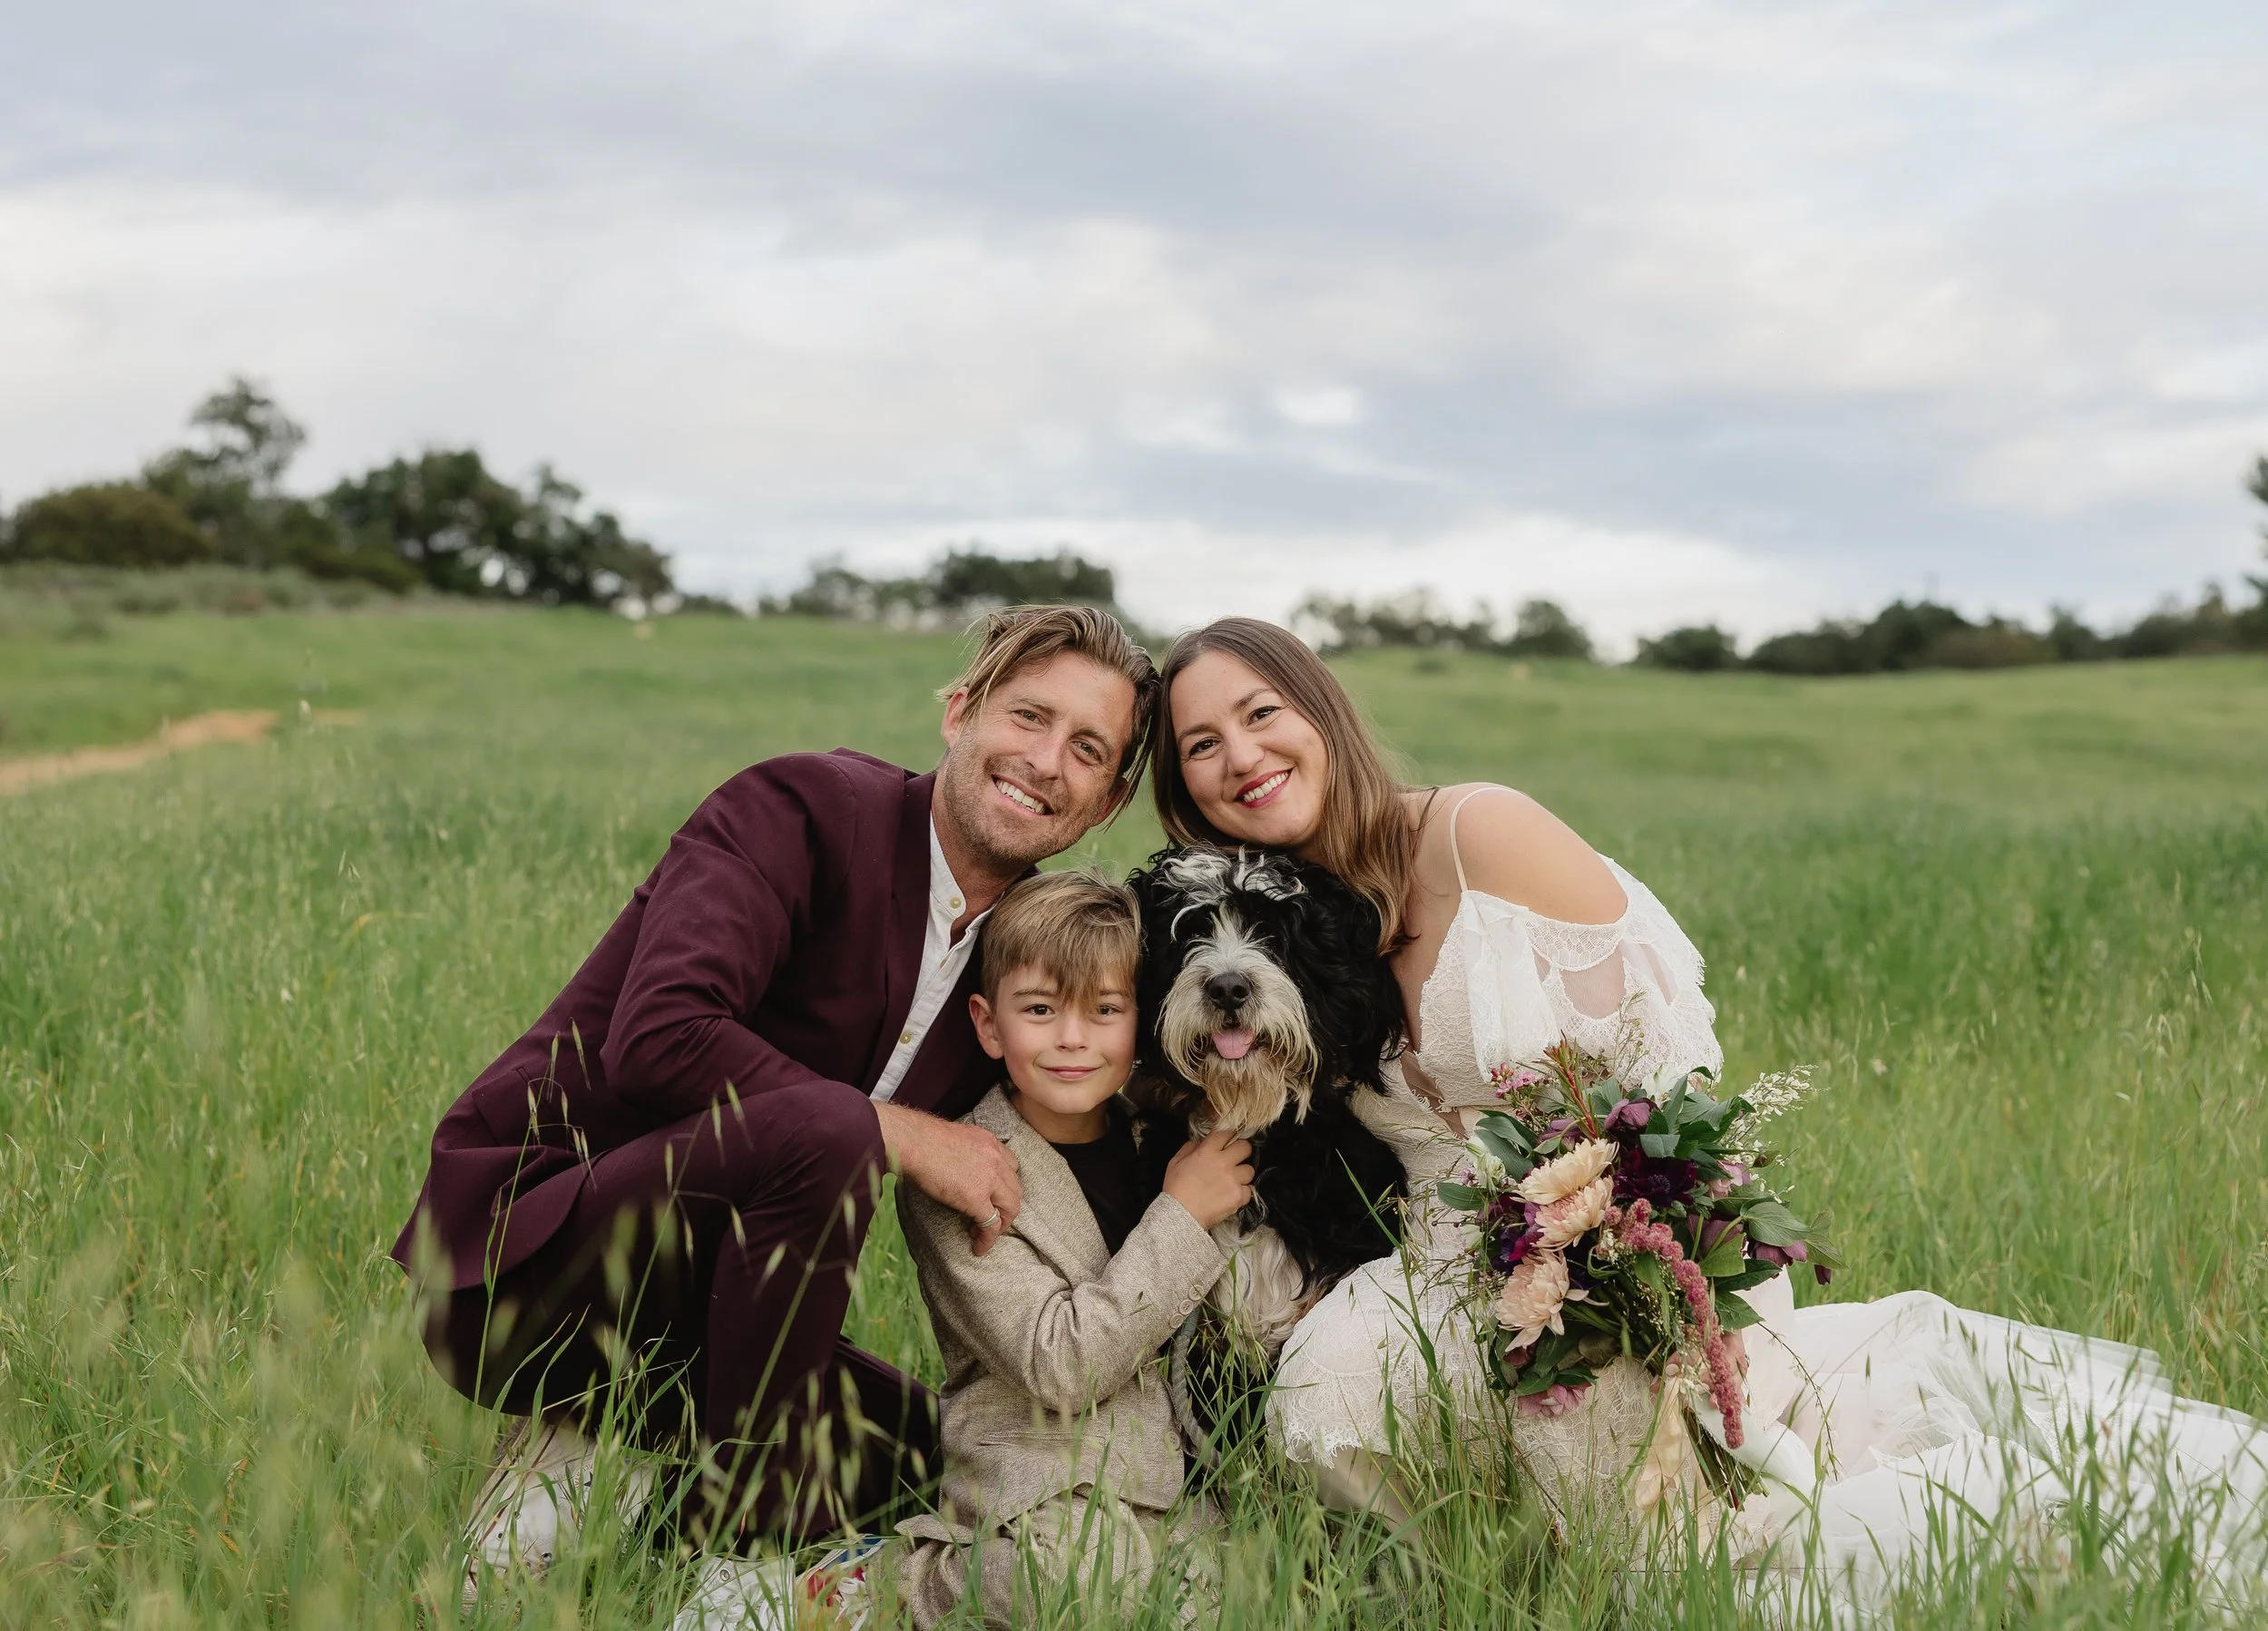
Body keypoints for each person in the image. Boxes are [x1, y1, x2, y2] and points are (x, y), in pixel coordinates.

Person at [1145, 616, 2268, 1610]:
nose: (1241, 755)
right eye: (1203, 743)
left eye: (1260, 713)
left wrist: (1624, 1244)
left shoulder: (1478, 832)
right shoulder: (1288, 922)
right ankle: (1485, 1581)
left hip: (1630, 1238)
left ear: (1323, 714)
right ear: (1185, 785)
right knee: (1330, 1383)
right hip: (1448, 1264)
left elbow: (1669, 1074)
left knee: (1711, 1552)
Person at [389, 606, 1159, 1605]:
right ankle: (736, 1575)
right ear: (960, 712)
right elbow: (662, 1034)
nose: (1046, 759)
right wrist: (900, 1131)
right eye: (1028, 716)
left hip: (724, 1334)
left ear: (1109, 797)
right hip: (526, 1275)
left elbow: (1096, 1099)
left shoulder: (1022, 958)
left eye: (1086, 748)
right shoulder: (800, 806)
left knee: (938, 1456)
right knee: (833, 1124)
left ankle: (604, 1522)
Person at [675, 869, 1252, 1629]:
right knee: (1065, 1583)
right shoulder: (963, 1176)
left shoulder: (1159, 1136)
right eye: (1040, 1011)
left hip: (1167, 1493)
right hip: (1039, 1498)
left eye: (1104, 1011)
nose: (1072, 1039)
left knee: (1244, 1589)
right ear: (987, 1024)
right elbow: (1061, 1363)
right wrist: (1181, 1215)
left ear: (1138, 1018)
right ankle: (869, 1587)